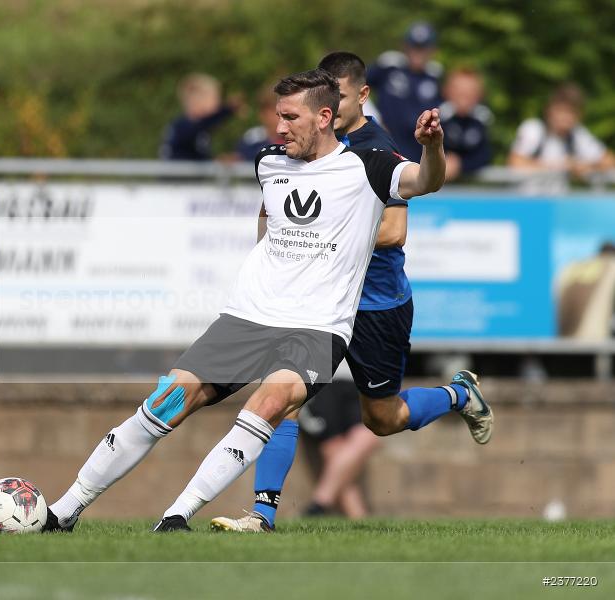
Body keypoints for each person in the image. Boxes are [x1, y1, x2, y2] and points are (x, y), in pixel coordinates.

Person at [42, 68, 458, 534]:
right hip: (247, 316)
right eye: (277, 117)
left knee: (269, 402)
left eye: (289, 117)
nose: (278, 128)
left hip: (318, 328)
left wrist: (433, 145)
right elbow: (269, 228)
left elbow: (428, 181)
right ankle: (63, 511)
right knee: (165, 401)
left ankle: (177, 516)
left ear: (324, 117)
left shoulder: (372, 166)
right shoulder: (268, 163)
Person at [210, 52, 491, 534]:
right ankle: (262, 515)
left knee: (382, 418)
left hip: (376, 304)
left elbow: (396, 230)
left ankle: (457, 394)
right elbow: (272, 207)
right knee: (282, 397)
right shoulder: (307, 147)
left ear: (362, 95)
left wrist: (325, 235)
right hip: (319, 301)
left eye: (338, 96)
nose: (330, 107)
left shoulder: (376, 149)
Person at [296, 361, 380, 519]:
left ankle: (319, 503)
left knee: (367, 436)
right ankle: (358, 518)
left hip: (358, 378)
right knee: (334, 449)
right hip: (319, 378)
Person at [367, 22, 444, 162]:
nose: (418, 53)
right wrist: (373, 119)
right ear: (405, 47)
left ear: (432, 50)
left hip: (418, 156)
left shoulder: (435, 76)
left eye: (423, 48)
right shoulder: (389, 66)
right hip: (383, 151)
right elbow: (356, 88)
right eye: (414, 47)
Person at [508, 83, 615, 179]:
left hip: (557, 200)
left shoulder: (576, 134)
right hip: (524, 199)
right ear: (549, 110)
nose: (565, 118)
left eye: (570, 113)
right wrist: (561, 166)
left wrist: (585, 166)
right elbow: (514, 164)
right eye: (561, 111)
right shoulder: (533, 129)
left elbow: (609, 160)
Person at [159, 73, 241, 161]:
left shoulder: (200, 130)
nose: (218, 104)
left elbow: (197, 157)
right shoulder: (182, 126)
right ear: (198, 100)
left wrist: (217, 161)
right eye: (215, 98)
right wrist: (226, 111)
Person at [439, 68, 493, 181]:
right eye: (459, 90)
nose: (464, 96)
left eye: (470, 91)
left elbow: (485, 155)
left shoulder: (481, 119)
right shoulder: (437, 116)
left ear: (479, 95)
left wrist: (459, 165)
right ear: (447, 91)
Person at [234, 86, 283, 162]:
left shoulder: (296, 138)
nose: (279, 117)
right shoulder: (251, 138)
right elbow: (241, 158)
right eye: (273, 111)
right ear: (262, 114)